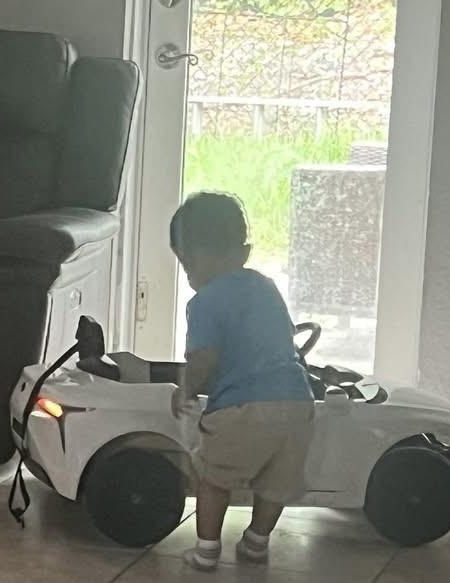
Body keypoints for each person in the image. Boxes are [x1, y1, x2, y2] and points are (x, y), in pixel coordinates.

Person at [168, 192, 316, 572]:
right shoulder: (266, 286)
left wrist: (185, 390)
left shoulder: (204, 302)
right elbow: (286, 338)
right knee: (275, 483)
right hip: (298, 402)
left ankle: (206, 550)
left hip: (243, 409)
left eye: (188, 264)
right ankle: (256, 541)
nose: (188, 275)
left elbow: (203, 359)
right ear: (244, 252)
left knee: (214, 478)